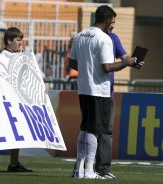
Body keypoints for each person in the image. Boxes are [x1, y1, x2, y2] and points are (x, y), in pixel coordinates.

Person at [69, 5, 144, 179]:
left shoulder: (80, 35)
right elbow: (107, 67)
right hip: (99, 91)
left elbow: (72, 63)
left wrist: (88, 69)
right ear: (108, 19)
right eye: (113, 21)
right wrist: (126, 63)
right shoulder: (104, 39)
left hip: (84, 89)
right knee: (95, 130)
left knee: (86, 128)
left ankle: (78, 169)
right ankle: (89, 171)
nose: (113, 25)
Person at [0, 27, 33, 172]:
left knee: (16, 131)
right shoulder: (2, 56)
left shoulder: (19, 55)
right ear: (9, 41)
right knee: (7, 132)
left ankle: (13, 163)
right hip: (5, 100)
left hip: (17, 99)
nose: (21, 43)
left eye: (21, 40)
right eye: (18, 40)